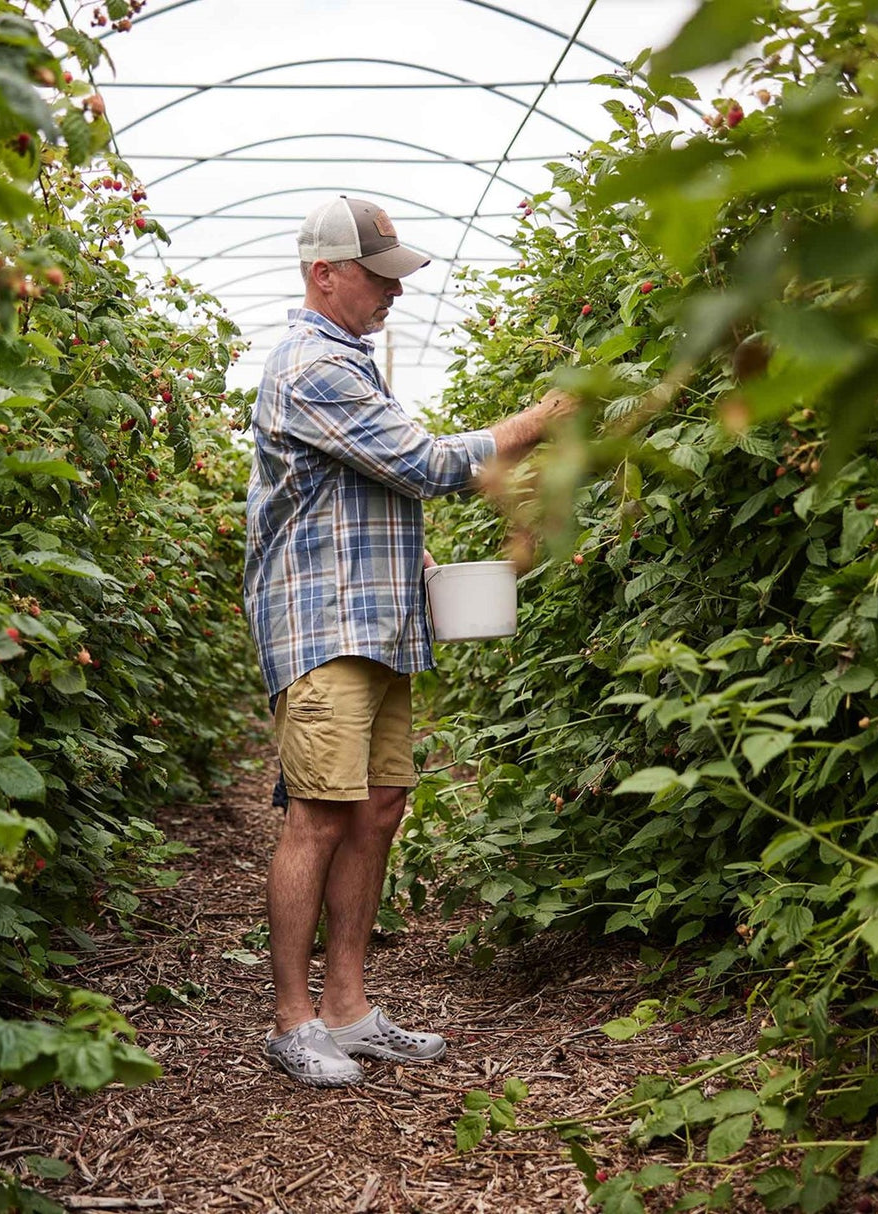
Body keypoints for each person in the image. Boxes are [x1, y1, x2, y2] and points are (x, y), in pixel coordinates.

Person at [243, 195, 574, 1087]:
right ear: (325, 274)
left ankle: (348, 1011)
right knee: (316, 815)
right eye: (378, 277)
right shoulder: (311, 364)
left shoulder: (349, 363)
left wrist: (410, 552)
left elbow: (362, 486)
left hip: (381, 621)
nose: (394, 294)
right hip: (324, 626)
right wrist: (537, 420)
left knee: (379, 807)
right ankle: (291, 1020)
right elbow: (425, 464)